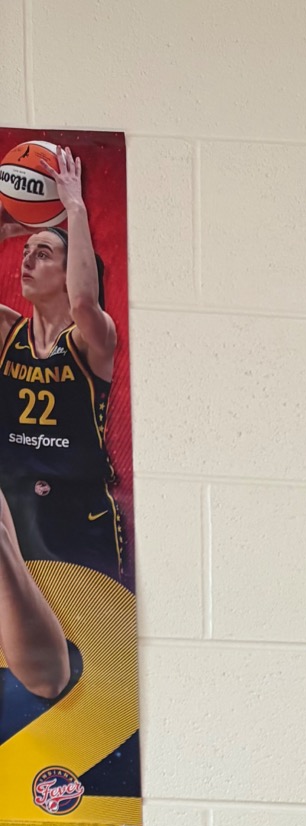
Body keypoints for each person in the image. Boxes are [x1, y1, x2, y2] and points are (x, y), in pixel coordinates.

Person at [0, 144, 124, 580]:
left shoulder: (93, 337)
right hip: (14, 511)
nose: (27, 260)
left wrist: (74, 207)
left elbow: (84, 301)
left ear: (70, 272)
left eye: (43, 254)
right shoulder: (8, 331)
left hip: (81, 519)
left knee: (94, 628)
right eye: (26, 251)